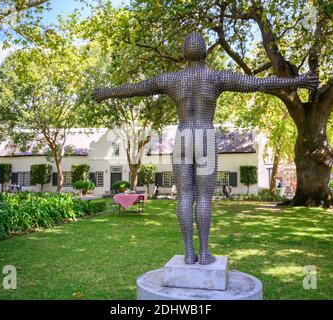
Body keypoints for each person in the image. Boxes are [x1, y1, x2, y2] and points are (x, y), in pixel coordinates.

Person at [93, 32, 318, 264]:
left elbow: (136, 88)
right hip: (204, 136)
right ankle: (205, 252)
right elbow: (259, 84)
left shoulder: (172, 79)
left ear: (184, 53)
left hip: (182, 136)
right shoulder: (215, 77)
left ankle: (189, 252)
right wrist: (298, 81)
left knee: (184, 196)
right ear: (206, 51)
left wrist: (106, 92)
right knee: (203, 197)